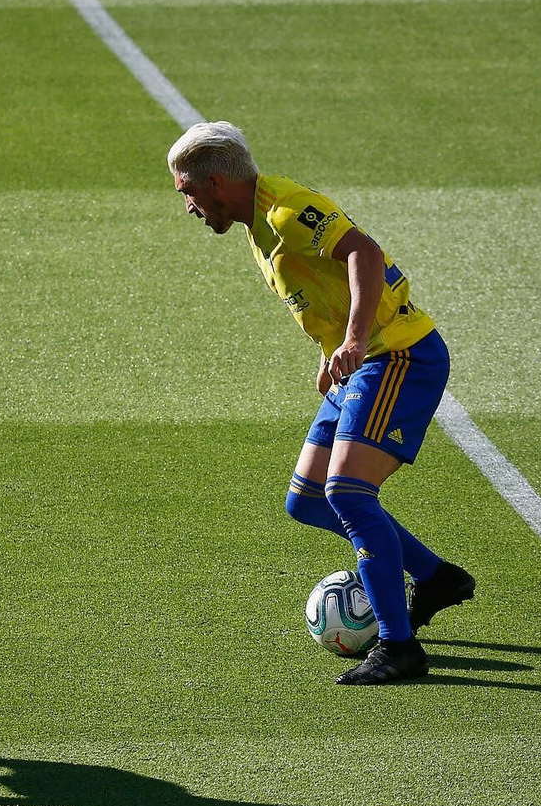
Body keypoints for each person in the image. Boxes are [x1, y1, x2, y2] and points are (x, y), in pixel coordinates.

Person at [168, 122, 476, 685]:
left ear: (215, 182)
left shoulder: (286, 210)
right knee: (308, 500)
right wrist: (337, 344)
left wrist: (355, 338)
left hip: (397, 357)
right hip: (360, 361)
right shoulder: (256, 217)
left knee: (350, 494)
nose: (187, 204)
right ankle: (435, 578)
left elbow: (363, 252)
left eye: (186, 190)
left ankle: (398, 646)